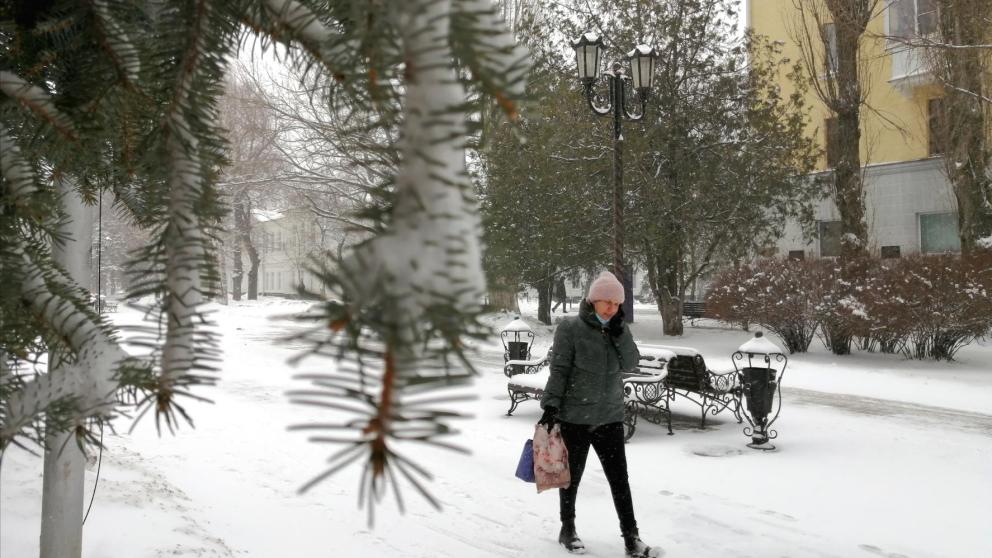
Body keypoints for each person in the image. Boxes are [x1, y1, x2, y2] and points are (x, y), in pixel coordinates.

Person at [538, 271, 659, 557]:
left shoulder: (618, 328)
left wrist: (620, 334)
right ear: (593, 301)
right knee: (571, 478)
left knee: (620, 480)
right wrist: (551, 407)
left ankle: (632, 538)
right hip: (575, 417)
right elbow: (560, 370)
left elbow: (631, 363)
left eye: (616, 304)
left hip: (610, 417)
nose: (610, 308)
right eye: (606, 301)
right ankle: (568, 529)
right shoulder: (570, 328)